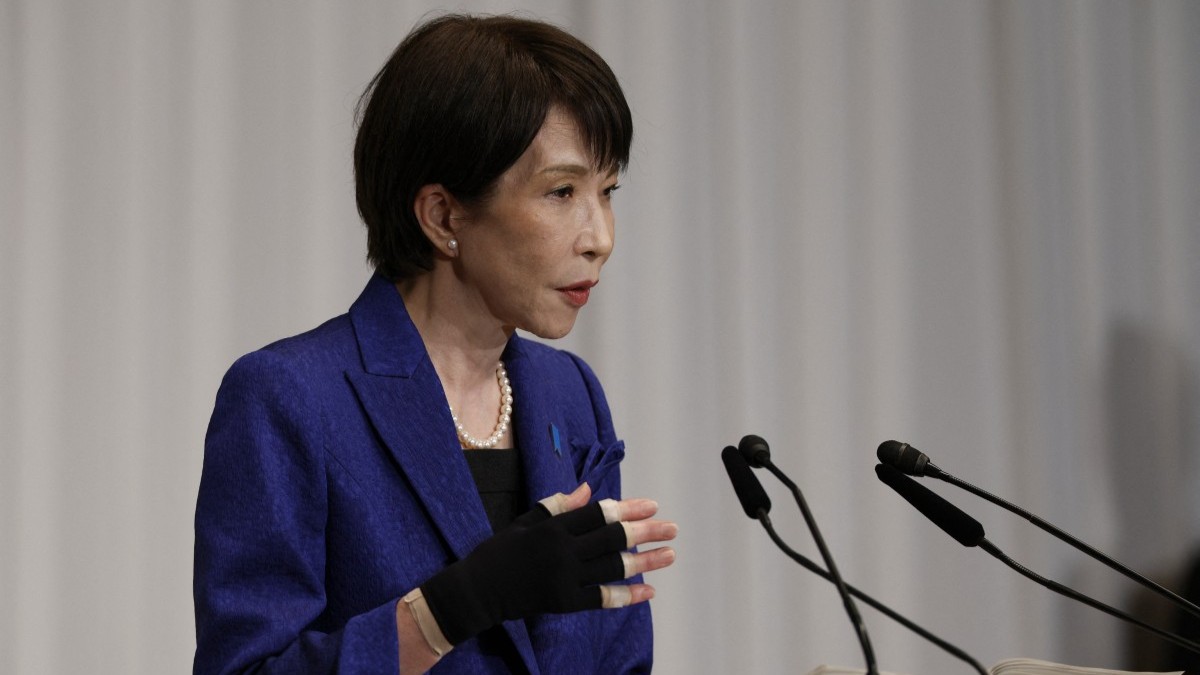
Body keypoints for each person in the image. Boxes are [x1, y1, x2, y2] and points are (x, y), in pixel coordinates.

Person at [192, 13, 678, 675]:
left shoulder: (572, 395)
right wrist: (450, 607)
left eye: (607, 191)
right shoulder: (290, 396)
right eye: (562, 192)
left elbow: (622, 658)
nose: (600, 236)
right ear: (444, 215)